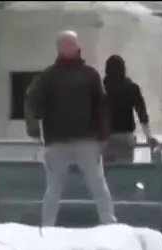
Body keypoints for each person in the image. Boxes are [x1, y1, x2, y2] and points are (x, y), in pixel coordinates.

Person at [25, 31, 117, 228]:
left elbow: (102, 106)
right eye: (66, 44)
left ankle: (107, 221)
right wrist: (33, 126)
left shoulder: (84, 75)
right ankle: (48, 225)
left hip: (81, 139)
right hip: (64, 140)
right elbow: (33, 102)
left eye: (71, 44)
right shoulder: (51, 76)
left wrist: (103, 134)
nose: (70, 48)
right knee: (57, 187)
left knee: (94, 183)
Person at [102, 54, 154, 163]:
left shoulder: (102, 88)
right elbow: (142, 113)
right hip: (126, 136)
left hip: (105, 137)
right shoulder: (132, 88)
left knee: (107, 171)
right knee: (125, 169)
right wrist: (148, 136)